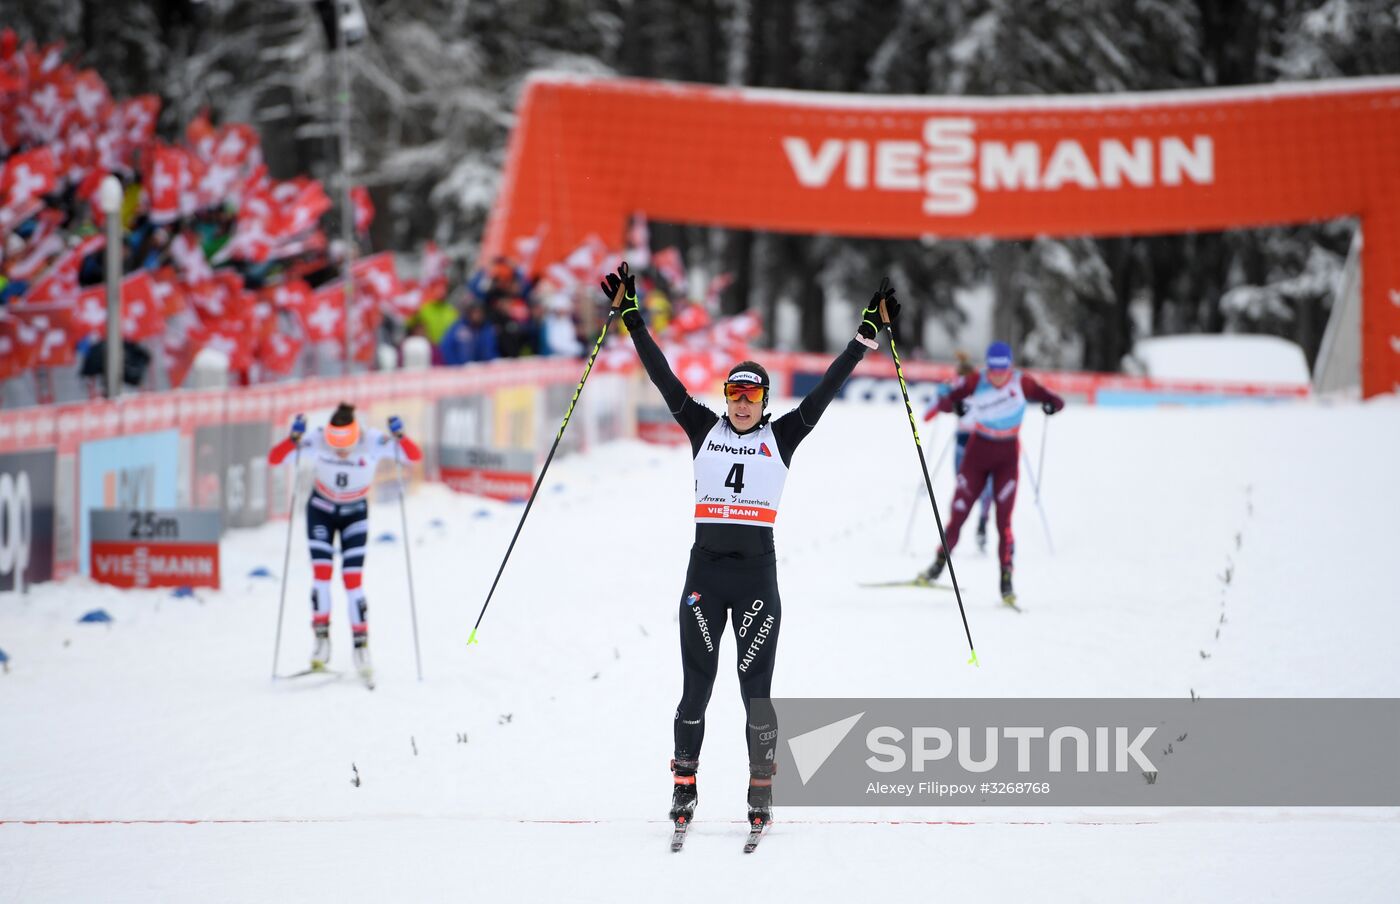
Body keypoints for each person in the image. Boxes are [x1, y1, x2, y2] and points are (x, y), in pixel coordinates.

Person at [604, 262, 900, 839]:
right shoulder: (701, 427)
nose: (741, 403)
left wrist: (864, 338)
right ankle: (684, 782)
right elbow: (663, 377)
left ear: (764, 402)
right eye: (734, 393)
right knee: (696, 687)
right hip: (705, 579)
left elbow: (826, 390)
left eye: (751, 394)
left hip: (757, 583)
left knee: (755, 694)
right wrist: (633, 318)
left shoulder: (782, 437)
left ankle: (760, 783)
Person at [268, 402, 423, 681]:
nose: (340, 452)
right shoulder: (317, 437)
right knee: (321, 576)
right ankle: (321, 641)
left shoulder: (372, 439)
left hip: (355, 513)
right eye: (334, 446)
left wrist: (401, 437)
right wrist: (293, 439)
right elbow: (275, 458)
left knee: (353, 581)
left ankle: (361, 647)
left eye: (346, 447)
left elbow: (413, 456)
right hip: (321, 511)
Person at [918, 341, 1064, 604]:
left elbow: (1055, 399)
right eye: (994, 370)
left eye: (1003, 370)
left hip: (1007, 458)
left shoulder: (1022, 382)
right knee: (958, 514)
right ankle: (938, 566)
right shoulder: (977, 379)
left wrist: (1051, 406)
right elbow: (947, 401)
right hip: (977, 454)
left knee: (1003, 522)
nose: (998, 376)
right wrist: (956, 406)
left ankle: (1006, 583)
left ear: (1010, 367)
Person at [940, 350, 994, 552]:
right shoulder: (956, 386)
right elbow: (942, 404)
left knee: (979, 486)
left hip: (979, 442)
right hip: (965, 442)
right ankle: (965, 526)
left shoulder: (981, 388)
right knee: (966, 486)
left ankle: (980, 522)